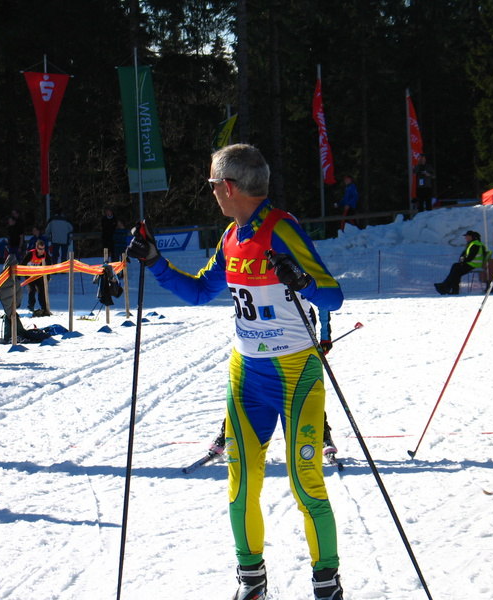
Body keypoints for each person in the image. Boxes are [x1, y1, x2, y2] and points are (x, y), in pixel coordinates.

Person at [126, 143, 345, 600]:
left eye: (212, 184)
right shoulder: (231, 236)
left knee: (305, 482)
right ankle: (252, 581)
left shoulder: (281, 229)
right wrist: (154, 262)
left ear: (228, 186)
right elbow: (200, 292)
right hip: (246, 377)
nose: (210, 192)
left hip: (296, 373)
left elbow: (333, 295)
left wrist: (302, 281)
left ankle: (327, 584)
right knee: (241, 483)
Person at [206, 309, 340, 461]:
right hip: (259, 332)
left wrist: (325, 337)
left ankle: (322, 434)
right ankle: (227, 433)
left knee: (303, 389)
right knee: (248, 388)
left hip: (296, 331)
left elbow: (324, 301)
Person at [433, 230, 487, 295]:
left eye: (467, 236)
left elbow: (470, 257)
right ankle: (449, 288)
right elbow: (464, 255)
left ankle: (447, 287)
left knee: (456, 268)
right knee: (456, 269)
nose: (465, 238)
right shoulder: (473, 244)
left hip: (473, 265)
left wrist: (462, 261)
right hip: (472, 264)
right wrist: (462, 260)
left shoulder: (476, 244)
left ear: (472, 237)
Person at [21, 238, 52, 317]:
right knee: (32, 290)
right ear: (36, 248)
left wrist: (48, 277)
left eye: (43, 249)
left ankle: (44, 308)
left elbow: (49, 267)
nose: (42, 251)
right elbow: (22, 264)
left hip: (38, 275)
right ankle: (31, 306)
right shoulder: (30, 254)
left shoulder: (45, 255)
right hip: (29, 274)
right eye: (40, 249)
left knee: (42, 291)